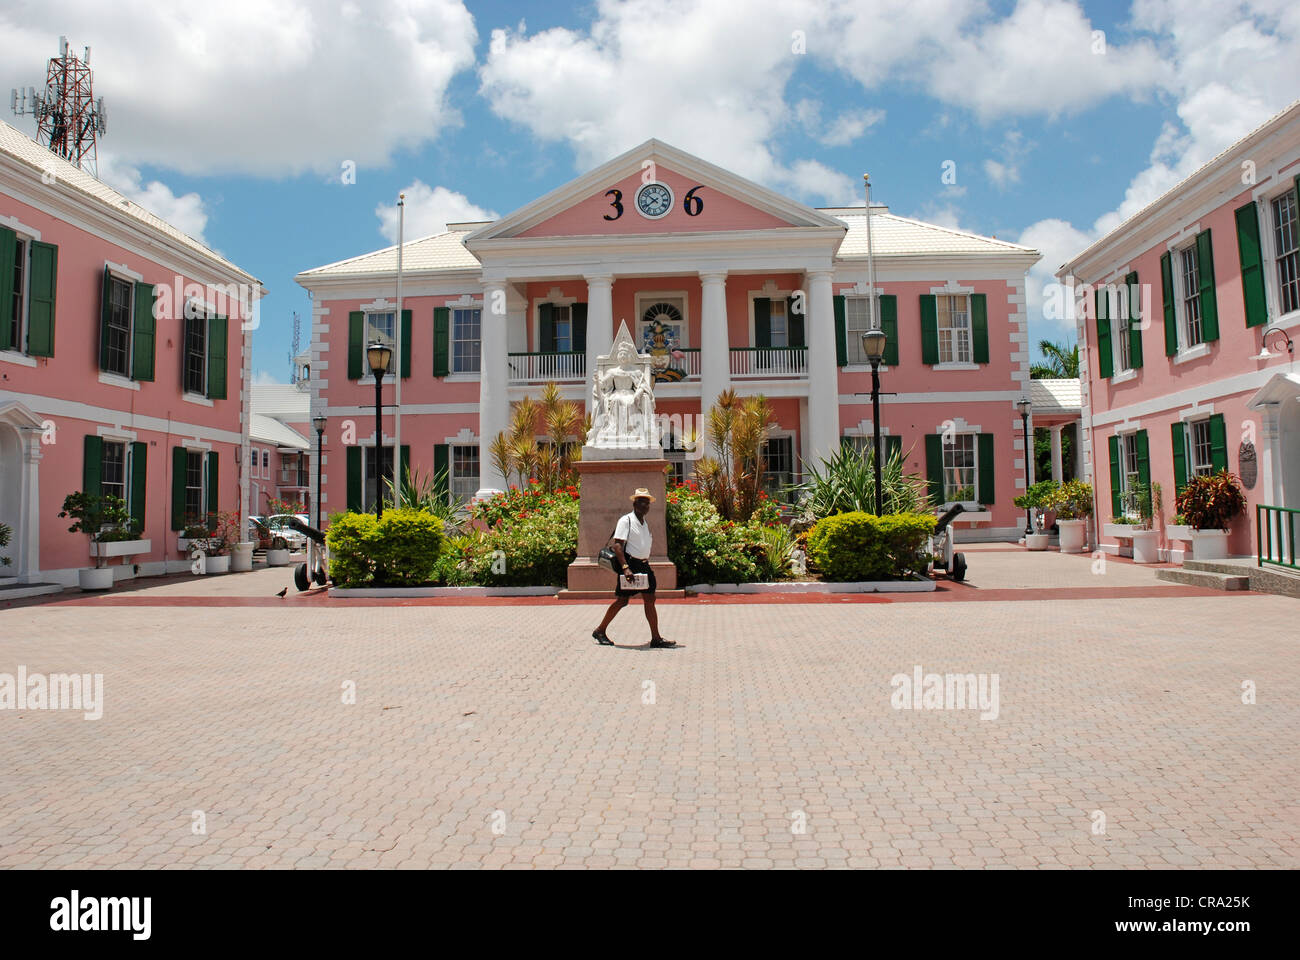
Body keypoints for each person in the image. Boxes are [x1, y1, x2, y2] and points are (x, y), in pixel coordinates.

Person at [592, 488, 675, 648]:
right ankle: (600, 630)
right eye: (641, 502)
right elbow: (617, 546)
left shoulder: (644, 523)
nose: (645, 506)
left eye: (647, 503)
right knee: (622, 601)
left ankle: (656, 638)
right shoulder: (626, 520)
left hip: (644, 565)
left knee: (650, 599)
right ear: (635, 503)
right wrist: (625, 568)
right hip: (630, 564)